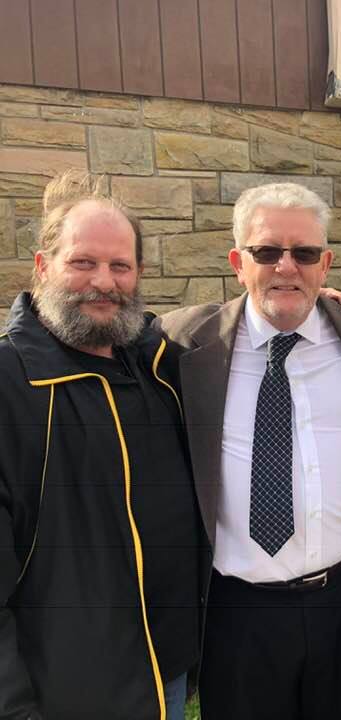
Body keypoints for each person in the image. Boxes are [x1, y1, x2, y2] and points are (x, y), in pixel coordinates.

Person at [155, 182, 341, 720]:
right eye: (267, 252)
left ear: (325, 264)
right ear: (238, 263)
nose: (286, 267)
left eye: (304, 253)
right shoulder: (182, 342)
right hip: (237, 614)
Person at [0, 171, 203, 720]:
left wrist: (316, 303)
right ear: (43, 267)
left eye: (120, 266)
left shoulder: (159, 365)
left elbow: (236, 326)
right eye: (83, 262)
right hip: (66, 692)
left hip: (166, 671)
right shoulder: (12, 384)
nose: (104, 282)